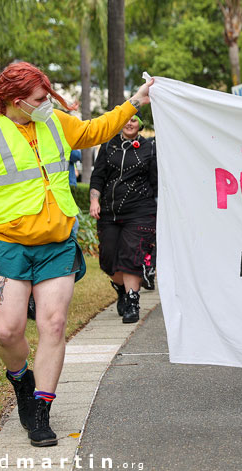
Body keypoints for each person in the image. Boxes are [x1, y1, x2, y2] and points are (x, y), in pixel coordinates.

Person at [0, 61, 153, 447]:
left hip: (56, 245)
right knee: (8, 330)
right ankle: (21, 380)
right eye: (40, 99)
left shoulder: (55, 123)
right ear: (16, 101)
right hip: (7, 246)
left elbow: (95, 130)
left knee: (53, 324)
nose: (48, 103)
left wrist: (136, 101)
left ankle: (41, 410)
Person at [89, 113, 157, 323]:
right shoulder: (109, 147)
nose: (129, 123)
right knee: (108, 260)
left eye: (134, 119)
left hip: (140, 211)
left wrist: (160, 208)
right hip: (109, 212)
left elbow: (156, 181)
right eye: (126, 119)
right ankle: (121, 289)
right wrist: (94, 200)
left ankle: (132, 301)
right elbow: (98, 176)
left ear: (140, 124)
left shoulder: (150, 148)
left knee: (131, 255)